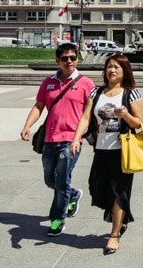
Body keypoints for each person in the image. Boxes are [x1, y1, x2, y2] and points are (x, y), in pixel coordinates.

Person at [20, 42, 95, 237]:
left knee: (61, 181)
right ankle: (73, 195)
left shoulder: (86, 83)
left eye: (73, 57)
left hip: (71, 140)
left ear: (77, 59)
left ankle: (57, 219)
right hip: (49, 139)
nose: (69, 61)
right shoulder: (48, 82)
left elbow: (89, 113)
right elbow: (39, 106)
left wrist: (80, 137)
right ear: (57, 60)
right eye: (64, 58)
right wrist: (27, 125)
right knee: (49, 179)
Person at [72, 54, 143, 256]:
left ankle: (114, 235)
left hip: (123, 152)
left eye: (116, 68)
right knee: (98, 189)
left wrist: (126, 116)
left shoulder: (131, 94)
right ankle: (123, 218)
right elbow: (86, 118)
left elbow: (139, 123)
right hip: (101, 150)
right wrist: (76, 139)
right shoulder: (96, 92)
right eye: (109, 67)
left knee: (120, 192)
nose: (112, 70)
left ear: (124, 72)